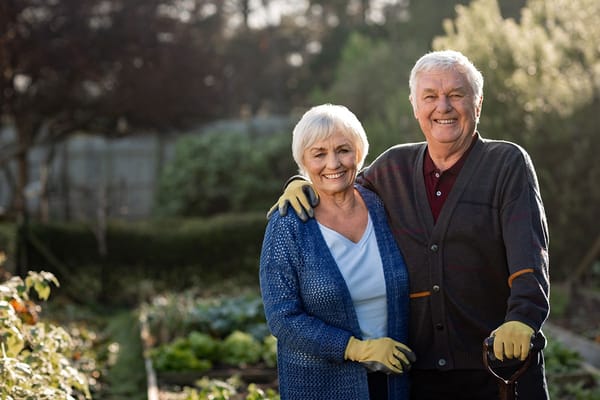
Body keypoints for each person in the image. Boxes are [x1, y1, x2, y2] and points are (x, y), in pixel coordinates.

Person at [269, 50, 550, 399]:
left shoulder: (506, 163)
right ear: (415, 107)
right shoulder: (393, 168)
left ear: (477, 104)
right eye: (430, 97)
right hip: (419, 374)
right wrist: (300, 183)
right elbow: (336, 181)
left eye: (456, 95)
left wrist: (522, 318)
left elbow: (530, 253)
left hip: (498, 366)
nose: (443, 107)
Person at [259, 103, 416, 400]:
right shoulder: (287, 227)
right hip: (322, 387)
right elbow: (282, 317)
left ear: (359, 153)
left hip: (396, 382)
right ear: (303, 162)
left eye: (343, 150)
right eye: (319, 154)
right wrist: (355, 348)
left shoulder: (384, 206)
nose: (333, 163)